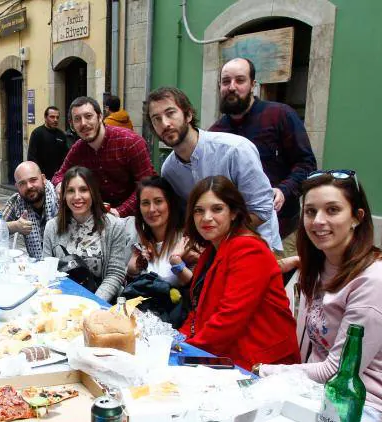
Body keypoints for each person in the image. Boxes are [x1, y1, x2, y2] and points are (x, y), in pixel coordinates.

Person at [258, 171, 382, 422]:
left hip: (366, 413)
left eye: (332, 210)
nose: (318, 221)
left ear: (357, 217)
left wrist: (264, 371)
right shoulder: (320, 265)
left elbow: (337, 370)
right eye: (310, 212)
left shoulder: (376, 279)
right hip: (317, 396)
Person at [179, 176, 300, 370]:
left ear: (234, 213)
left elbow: (230, 317)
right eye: (199, 211)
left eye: (217, 209)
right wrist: (177, 341)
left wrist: (184, 351)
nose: (206, 217)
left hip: (260, 366)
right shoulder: (211, 250)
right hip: (225, 354)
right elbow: (196, 312)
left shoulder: (249, 249)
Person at [147, 86, 281, 251]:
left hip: (258, 246)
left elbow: (262, 210)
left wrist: (219, 235)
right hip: (212, 251)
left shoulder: (235, 150)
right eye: (156, 119)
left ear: (188, 114)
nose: (165, 124)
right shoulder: (169, 170)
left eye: (170, 113)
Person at [210, 58, 317, 255]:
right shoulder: (216, 133)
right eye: (226, 81)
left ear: (253, 85)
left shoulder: (280, 115)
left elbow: (307, 164)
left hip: (283, 233)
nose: (232, 87)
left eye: (240, 80)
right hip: (234, 237)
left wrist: (284, 190)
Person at [52, 97, 155, 218]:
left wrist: (119, 211)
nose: (83, 123)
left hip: (136, 218)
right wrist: (60, 185)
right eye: (77, 119)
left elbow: (147, 184)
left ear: (100, 117)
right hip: (101, 219)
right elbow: (59, 176)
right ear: (72, 125)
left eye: (88, 116)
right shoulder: (78, 149)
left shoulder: (131, 142)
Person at [43, 166, 131, 303]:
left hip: (100, 302)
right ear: (64, 195)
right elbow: (47, 270)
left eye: (83, 190)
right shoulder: (52, 227)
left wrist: (93, 302)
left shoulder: (114, 226)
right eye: (71, 191)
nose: (77, 197)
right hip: (61, 301)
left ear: (93, 192)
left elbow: (115, 273)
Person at [127, 177, 192, 287]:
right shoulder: (134, 237)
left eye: (158, 201)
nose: (152, 209)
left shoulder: (185, 240)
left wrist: (177, 263)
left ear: (169, 204)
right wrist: (132, 271)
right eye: (145, 203)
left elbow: (197, 289)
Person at [1, 161, 59, 260]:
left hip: (67, 268)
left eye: (33, 180)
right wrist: (14, 226)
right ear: (17, 187)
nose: (29, 186)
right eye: (22, 183)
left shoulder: (59, 199)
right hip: (36, 267)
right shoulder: (16, 201)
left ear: (43, 179)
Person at [27, 106, 68, 182]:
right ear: (45, 118)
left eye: (57, 117)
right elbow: (31, 157)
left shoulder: (61, 135)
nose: (55, 120)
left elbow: (65, 157)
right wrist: (37, 176)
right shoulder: (37, 133)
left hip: (58, 178)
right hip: (42, 178)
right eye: (52, 117)